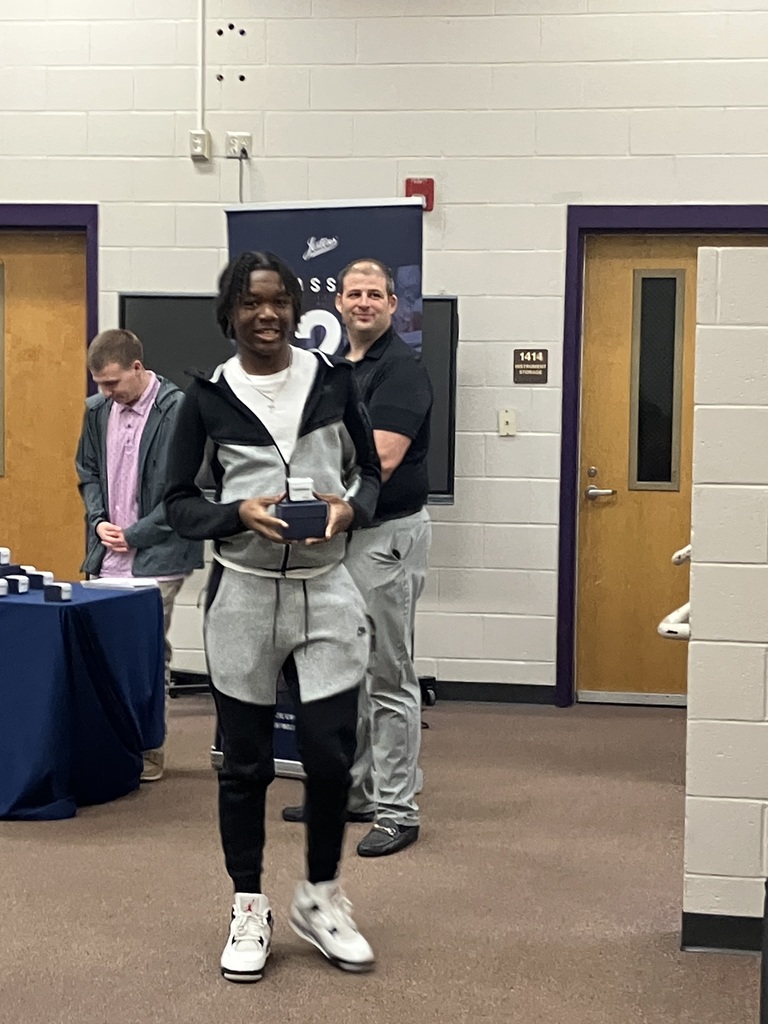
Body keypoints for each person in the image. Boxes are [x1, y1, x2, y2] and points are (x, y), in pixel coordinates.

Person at [163, 251, 380, 982]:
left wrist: (350, 508)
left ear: (295, 307)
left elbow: (376, 476)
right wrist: (236, 513)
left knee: (328, 755)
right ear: (230, 312)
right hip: (244, 594)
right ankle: (248, 904)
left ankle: (320, 897)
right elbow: (180, 503)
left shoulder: (332, 380)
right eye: (252, 303)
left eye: (279, 300)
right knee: (246, 764)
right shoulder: (207, 398)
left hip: (326, 589)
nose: (268, 314)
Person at [282, 258, 433, 857]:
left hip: (384, 535)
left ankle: (399, 809)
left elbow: (383, 461)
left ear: (393, 305)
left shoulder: (402, 370)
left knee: (389, 675)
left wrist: (320, 510)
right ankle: (356, 793)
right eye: (354, 293)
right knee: (348, 669)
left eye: (376, 294)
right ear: (338, 303)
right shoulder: (333, 369)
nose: (364, 302)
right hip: (343, 534)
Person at [75, 329, 204, 783]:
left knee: (146, 652)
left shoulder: (179, 410)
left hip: (160, 555)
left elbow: (186, 491)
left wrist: (136, 534)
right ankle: (111, 745)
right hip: (107, 553)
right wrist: (98, 521)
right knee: (102, 650)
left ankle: (150, 748)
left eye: (112, 383)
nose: (106, 392)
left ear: (137, 367)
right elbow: (87, 470)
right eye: (99, 384)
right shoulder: (97, 411)